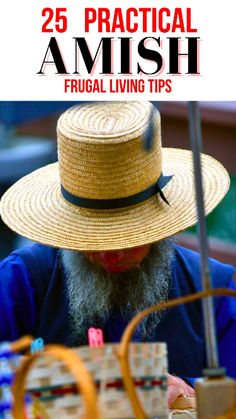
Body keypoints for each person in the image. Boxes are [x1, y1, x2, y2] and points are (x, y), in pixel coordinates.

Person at [0, 101, 235, 406]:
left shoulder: (212, 291)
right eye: (92, 238)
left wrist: (190, 390)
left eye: (129, 238)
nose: (110, 255)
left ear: (159, 226)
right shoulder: (21, 281)